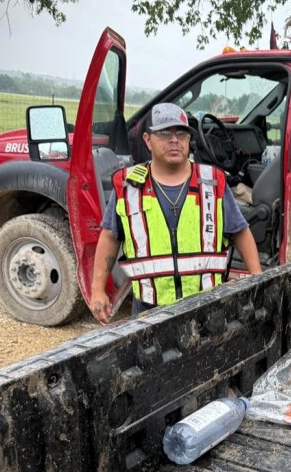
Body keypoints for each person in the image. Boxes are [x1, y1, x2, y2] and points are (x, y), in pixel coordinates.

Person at [91, 103, 262, 323]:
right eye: (164, 133)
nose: (174, 140)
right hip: (148, 311)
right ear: (147, 140)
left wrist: (258, 280)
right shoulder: (129, 186)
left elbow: (240, 232)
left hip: (207, 308)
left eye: (181, 133)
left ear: (189, 140)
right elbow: (110, 237)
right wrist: (98, 289)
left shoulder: (211, 182)